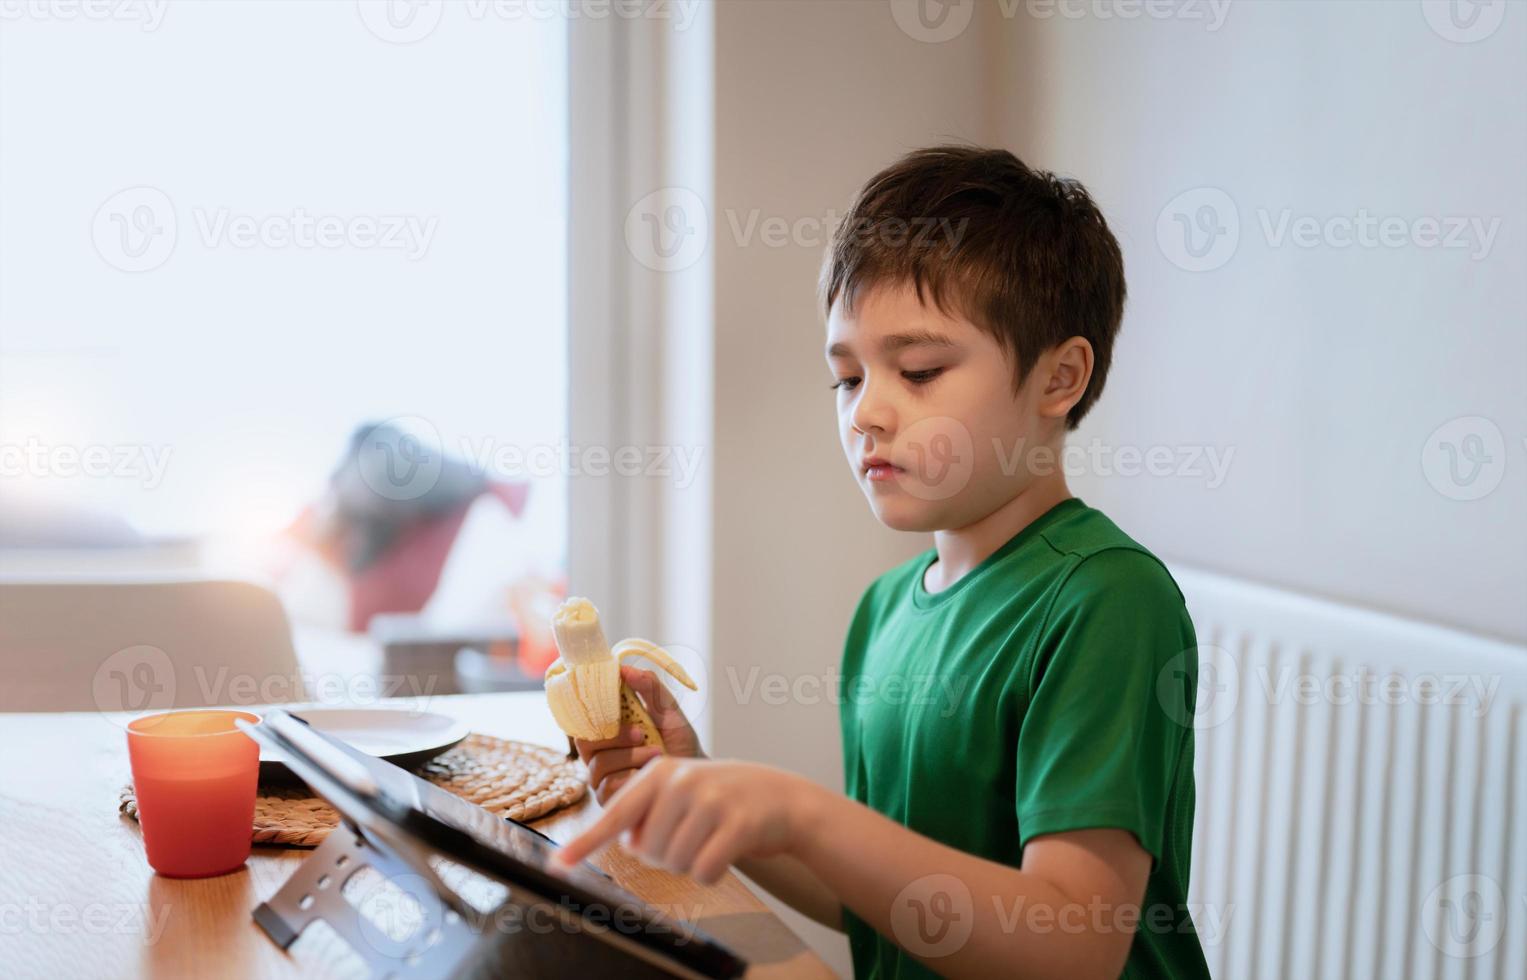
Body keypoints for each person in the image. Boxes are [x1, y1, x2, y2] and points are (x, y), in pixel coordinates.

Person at [555, 146, 1212, 979]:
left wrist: (800, 810)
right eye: (846, 377)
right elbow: (883, 902)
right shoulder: (884, 611)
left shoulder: (1106, 599)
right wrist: (706, 785)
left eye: (919, 370)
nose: (866, 412)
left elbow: (1073, 946)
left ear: (1060, 378)